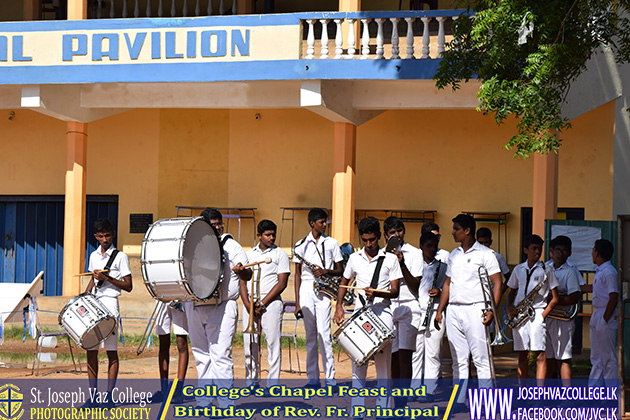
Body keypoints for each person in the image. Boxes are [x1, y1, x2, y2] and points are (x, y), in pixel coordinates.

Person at [184, 208, 252, 408]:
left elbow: (247, 275)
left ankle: (225, 404)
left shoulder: (232, 246)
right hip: (196, 305)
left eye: (219, 223)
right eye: (213, 224)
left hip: (223, 305)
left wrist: (242, 271)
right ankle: (203, 402)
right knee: (201, 354)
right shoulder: (192, 245)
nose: (218, 227)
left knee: (221, 355)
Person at [334, 217, 401, 416]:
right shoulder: (354, 258)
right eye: (365, 240)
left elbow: (395, 291)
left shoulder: (390, 259)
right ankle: (358, 410)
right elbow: (344, 281)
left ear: (379, 237)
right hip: (359, 313)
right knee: (358, 363)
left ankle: (383, 409)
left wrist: (377, 292)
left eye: (372, 240)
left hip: (383, 313)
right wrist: (338, 306)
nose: (369, 244)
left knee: (383, 365)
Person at [434, 214, 501, 409]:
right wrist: (440, 309)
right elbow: (447, 284)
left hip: (476, 308)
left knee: (481, 359)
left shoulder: (486, 254)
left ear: (467, 231)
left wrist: (491, 310)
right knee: (458, 360)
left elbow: (498, 283)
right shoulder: (453, 254)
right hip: (454, 309)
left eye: (456, 229)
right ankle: (459, 400)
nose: (453, 232)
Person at [83, 218, 132, 409]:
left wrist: (108, 278)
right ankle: (93, 397)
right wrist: (84, 296)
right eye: (101, 236)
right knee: (91, 351)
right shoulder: (94, 255)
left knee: (111, 351)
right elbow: (93, 281)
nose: (105, 239)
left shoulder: (121, 257)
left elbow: (128, 286)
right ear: (96, 236)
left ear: (113, 234)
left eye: (108, 235)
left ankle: (109, 397)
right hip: (94, 304)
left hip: (111, 304)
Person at [293, 208, 343, 388]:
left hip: (324, 290)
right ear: (312, 224)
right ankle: (313, 379)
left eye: (325, 222)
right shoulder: (300, 245)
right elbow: (297, 274)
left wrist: (325, 271)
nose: (324, 225)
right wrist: (298, 303)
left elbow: (341, 270)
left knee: (324, 335)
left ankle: (330, 379)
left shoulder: (332, 243)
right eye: (321, 222)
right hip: (307, 288)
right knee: (310, 336)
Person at [238, 219, 290, 389]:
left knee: (273, 343)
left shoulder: (280, 254)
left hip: (272, 304)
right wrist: (247, 304)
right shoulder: (249, 254)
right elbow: (243, 281)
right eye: (268, 235)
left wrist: (263, 302)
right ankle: (251, 380)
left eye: (273, 234)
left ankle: (272, 384)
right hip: (250, 305)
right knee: (250, 342)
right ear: (259, 236)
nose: (271, 238)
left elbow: (282, 283)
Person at [506, 234, 559, 380]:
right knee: (522, 354)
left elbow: (555, 298)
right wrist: (509, 306)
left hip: (537, 313)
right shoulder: (518, 269)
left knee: (540, 354)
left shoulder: (546, 270)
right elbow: (511, 292)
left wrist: (542, 315)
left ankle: (538, 397)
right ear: (525, 250)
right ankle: (524, 391)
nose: (537, 252)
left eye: (539, 249)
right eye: (534, 248)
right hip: (520, 314)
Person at [383, 216, 422, 407]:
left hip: (409, 306)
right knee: (391, 358)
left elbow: (415, 285)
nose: (396, 234)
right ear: (385, 235)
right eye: (392, 232)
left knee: (405, 357)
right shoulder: (381, 255)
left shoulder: (415, 253)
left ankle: (402, 404)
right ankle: (391, 400)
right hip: (389, 307)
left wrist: (401, 262)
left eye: (399, 231)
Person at [412, 231, 447, 400]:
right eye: (428, 246)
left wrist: (439, 291)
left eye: (435, 246)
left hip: (435, 312)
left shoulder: (443, 267)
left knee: (433, 353)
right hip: (418, 312)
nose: (432, 249)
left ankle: (430, 390)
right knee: (416, 352)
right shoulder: (415, 265)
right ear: (421, 247)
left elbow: (449, 289)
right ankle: (414, 388)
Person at [545, 235, 582, 379]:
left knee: (564, 358)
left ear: (570, 253)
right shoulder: (545, 268)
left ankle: (567, 398)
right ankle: (548, 394)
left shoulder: (570, 271)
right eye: (557, 250)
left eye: (565, 251)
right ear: (551, 252)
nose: (560, 254)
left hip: (563, 320)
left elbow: (574, 296)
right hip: (547, 317)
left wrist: (554, 300)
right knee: (548, 357)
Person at [582, 239, 618, 382]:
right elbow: (595, 289)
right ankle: (594, 393)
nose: (592, 253)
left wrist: (604, 319)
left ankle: (612, 395)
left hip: (605, 314)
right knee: (596, 357)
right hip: (597, 313)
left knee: (608, 357)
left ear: (597, 253)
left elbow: (613, 296)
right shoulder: (601, 271)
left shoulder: (609, 272)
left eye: (593, 250)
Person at [152, 301, 189, 404]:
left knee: (181, 342)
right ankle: (164, 389)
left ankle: (178, 390)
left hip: (179, 297)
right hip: (161, 298)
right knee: (163, 343)